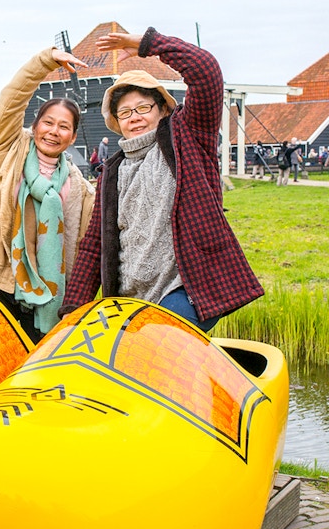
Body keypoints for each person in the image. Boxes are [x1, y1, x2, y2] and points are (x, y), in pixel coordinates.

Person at [59, 26, 264, 332]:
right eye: (125, 112)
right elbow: (93, 246)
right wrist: (72, 311)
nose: (135, 117)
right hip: (130, 298)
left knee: (153, 343)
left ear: (161, 109)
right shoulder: (112, 173)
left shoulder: (187, 136)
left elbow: (206, 72)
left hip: (188, 289)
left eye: (143, 107)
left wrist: (149, 44)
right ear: (116, 121)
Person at [0, 46, 95, 343]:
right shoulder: (9, 148)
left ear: (72, 137)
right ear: (35, 125)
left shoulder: (79, 187)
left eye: (63, 127)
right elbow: (10, 101)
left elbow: (84, 243)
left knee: (33, 363)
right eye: (48, 122)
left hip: (48, 292)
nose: (53, 131)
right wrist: (45, 61)